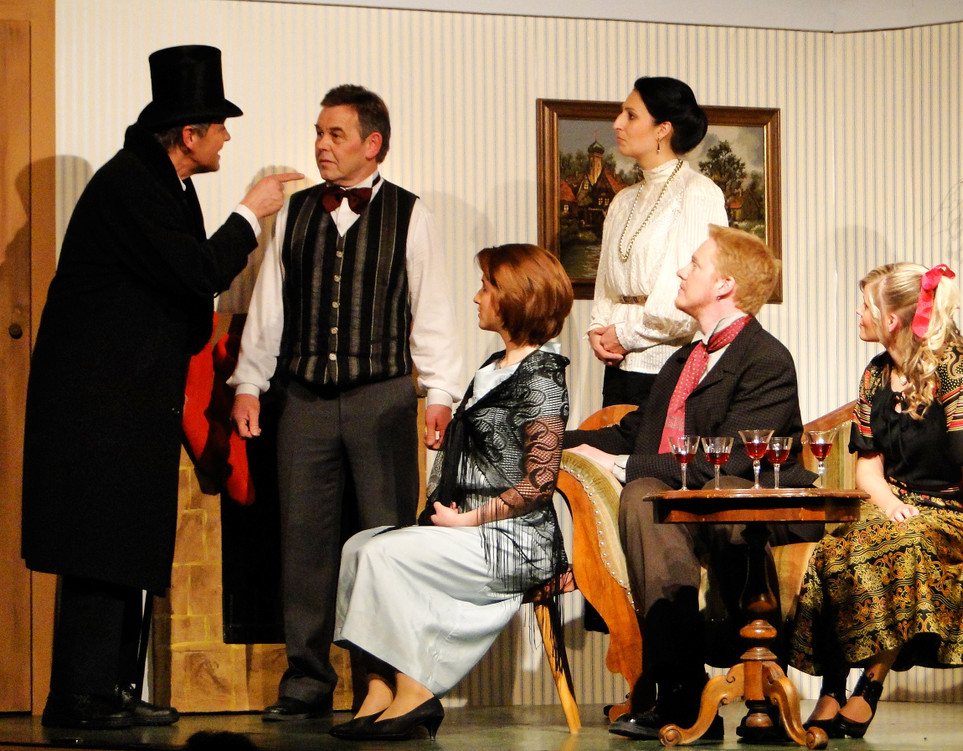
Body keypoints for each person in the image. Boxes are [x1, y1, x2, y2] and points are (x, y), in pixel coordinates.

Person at [20, 45, 301, 729]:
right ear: (189, 135)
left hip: (129, 394)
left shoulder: (163, 183)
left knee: (125, 539)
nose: (227, 137)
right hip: (99, 399)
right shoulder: (131, 186)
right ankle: (80, 695)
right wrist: (250, 213)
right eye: (219, 126)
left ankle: (110, 686)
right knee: (101, 541)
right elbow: (197, 270)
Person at [228, 84, 463, 721]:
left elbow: (432, 309)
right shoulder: (297, 212)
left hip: (381, 400)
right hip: (302, 399)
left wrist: (440, 391)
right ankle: (306, 681)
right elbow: (270, 309)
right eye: (319, 132)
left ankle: (380, 683)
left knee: (384, 544)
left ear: (372, 143)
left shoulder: (411, 214)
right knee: (302, 544)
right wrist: (249, 383)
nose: (322, 145)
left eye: (336, 134)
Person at [564, 224, 819, 740]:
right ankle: (682, 693)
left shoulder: (765, 360)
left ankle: (747, 681)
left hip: (750, 507)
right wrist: (549, 439)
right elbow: (636, 431)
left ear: (725, 284)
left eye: (695, 264)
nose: (682, 271)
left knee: (666, 492)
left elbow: (729, 462)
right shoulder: (685, 359)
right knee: (647, 498)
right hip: (686, 507)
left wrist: (620, 465)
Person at [327, 244, 573, 741]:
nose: (477, 297)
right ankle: (379, 686)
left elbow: (540, 483)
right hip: (473, 523)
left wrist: (466, 519)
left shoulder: (543, 377)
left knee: (384, 554)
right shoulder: (493, 367)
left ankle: (415, 689)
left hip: (515, 538)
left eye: (486, 288)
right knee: (358, 545)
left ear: (515, 297)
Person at [789, 263, 963, 739]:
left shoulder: (953, 369)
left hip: (946, 513)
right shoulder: (875, 374)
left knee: (900, 548)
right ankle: (831, 686)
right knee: (833, 550)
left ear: (890, 320)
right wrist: (889, 505)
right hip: (892, 503)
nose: (858, 312)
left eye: (865, 305)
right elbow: (868, 469)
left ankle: (870, 684)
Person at [588, 76, 726, 408]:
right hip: (617, 366)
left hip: (666, 367)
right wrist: (598, 327)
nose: (617, 123)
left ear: (662, 129)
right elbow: (605, 285)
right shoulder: (622, 200)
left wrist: (625, 334)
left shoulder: (698, 192)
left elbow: (691, 296)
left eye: (631, 115)